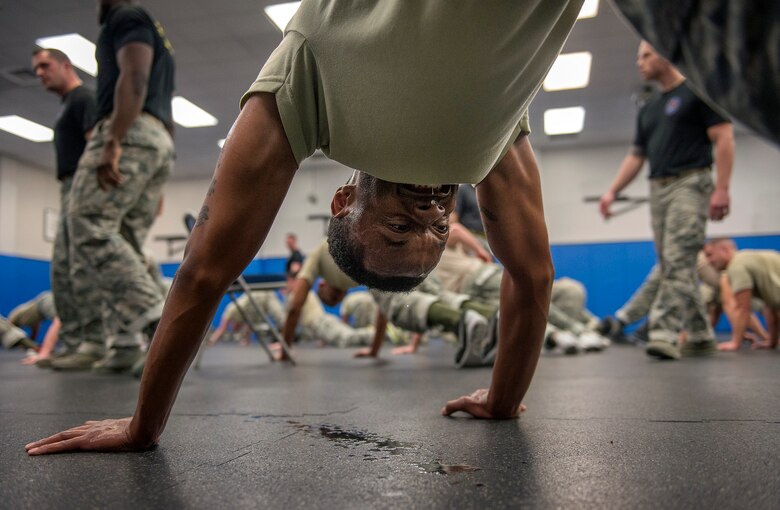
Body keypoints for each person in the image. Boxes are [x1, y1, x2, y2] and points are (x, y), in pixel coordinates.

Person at [27, 1, 583, 454]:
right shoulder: (487, 142)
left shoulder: (308, 83)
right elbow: (532, 277)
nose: (432, 214)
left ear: (345, 200)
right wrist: (503, 401)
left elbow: (204, 271)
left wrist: (141, 427)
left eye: (396, 227)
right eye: (437, 231)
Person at [599, 41, 735, 361]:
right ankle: (701, 334)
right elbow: (636, 157)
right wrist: (611, 192)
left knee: (676, 260)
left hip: (691, 182)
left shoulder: (697, 93)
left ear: (665, 53)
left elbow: (724, 136)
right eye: (638, 58)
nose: (640, 63)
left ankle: (663, 331)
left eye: (646, 55)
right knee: (674, 264)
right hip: (657, 189)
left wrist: (722, 189)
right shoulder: (649, 108)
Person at [60, 0, 175, 374]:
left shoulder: (126, 17)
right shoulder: (151, 26)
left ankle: (157, 319)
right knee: (123, 238)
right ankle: (125, 343)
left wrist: (113, 140)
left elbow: (135, 77)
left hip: (129, 131)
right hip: (156, 139)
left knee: (86, 224)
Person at [30, 48, 99, 368]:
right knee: (62, 267)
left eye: (45, 66)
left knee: (80, 266)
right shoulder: (68, 104)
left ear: (66, 65)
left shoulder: (83, 97)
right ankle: (73, 342)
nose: (40, 73)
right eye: (36, 69)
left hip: (81, 184)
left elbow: (96, 143)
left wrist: (87, 190)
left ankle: (91, 342)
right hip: (68, 185)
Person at [703, 239, 780, 351]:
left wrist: (735, 342)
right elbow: (771, 307)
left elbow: (743, 308)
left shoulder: (736, 266)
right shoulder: (750, 258)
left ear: (724, 250)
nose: (708, 261)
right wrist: (772, 342)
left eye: (710, 255)